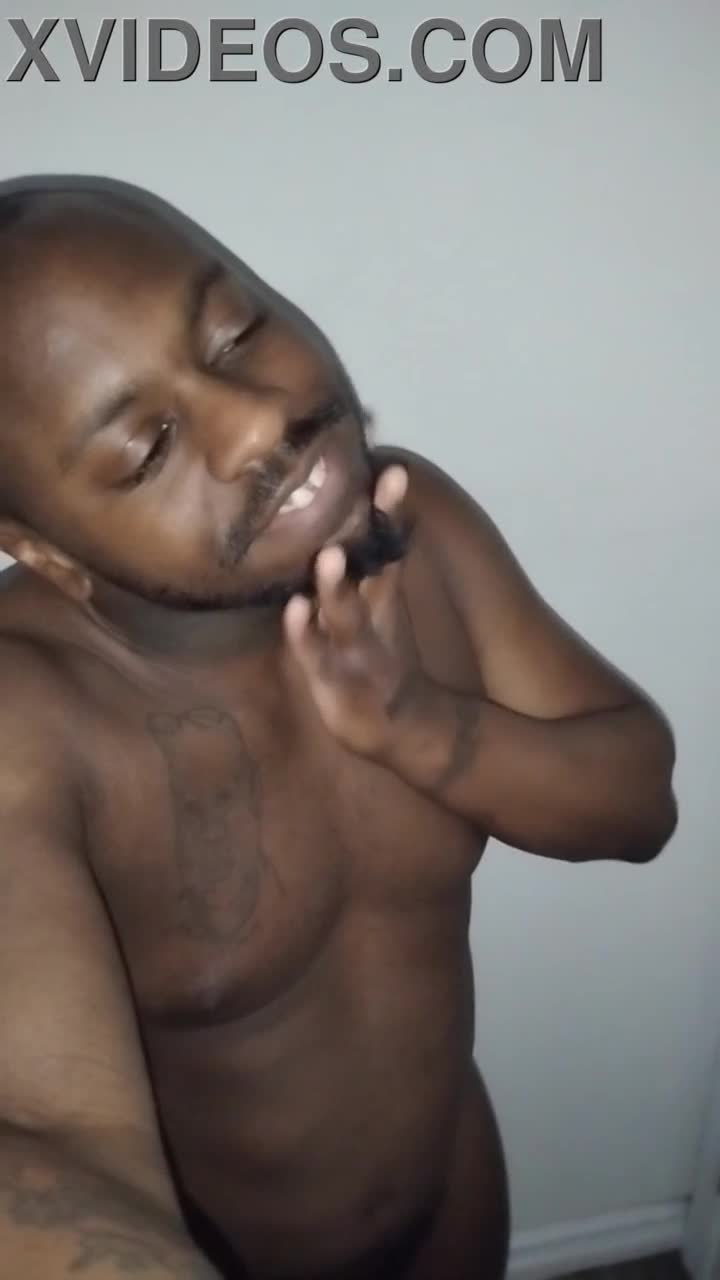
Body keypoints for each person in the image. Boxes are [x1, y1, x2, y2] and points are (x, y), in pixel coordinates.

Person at [0, 177, 678, 1280]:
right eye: (146, 447)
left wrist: (419, 728)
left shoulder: (415, 527)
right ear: (47, 552)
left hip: (457, 1211)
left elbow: (640, 807)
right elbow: (50, 1135)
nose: (255, 419)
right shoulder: (25, 723)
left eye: (235, 331)